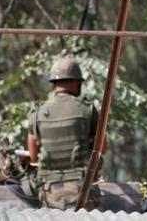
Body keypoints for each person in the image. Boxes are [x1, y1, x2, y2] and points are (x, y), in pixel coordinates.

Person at [27, 57, 106, 210]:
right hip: (82, 191)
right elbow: (103, 148)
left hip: (49, 192)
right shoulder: (87, 109)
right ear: (73, 82)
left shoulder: (37, 112)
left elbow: (33, 156)